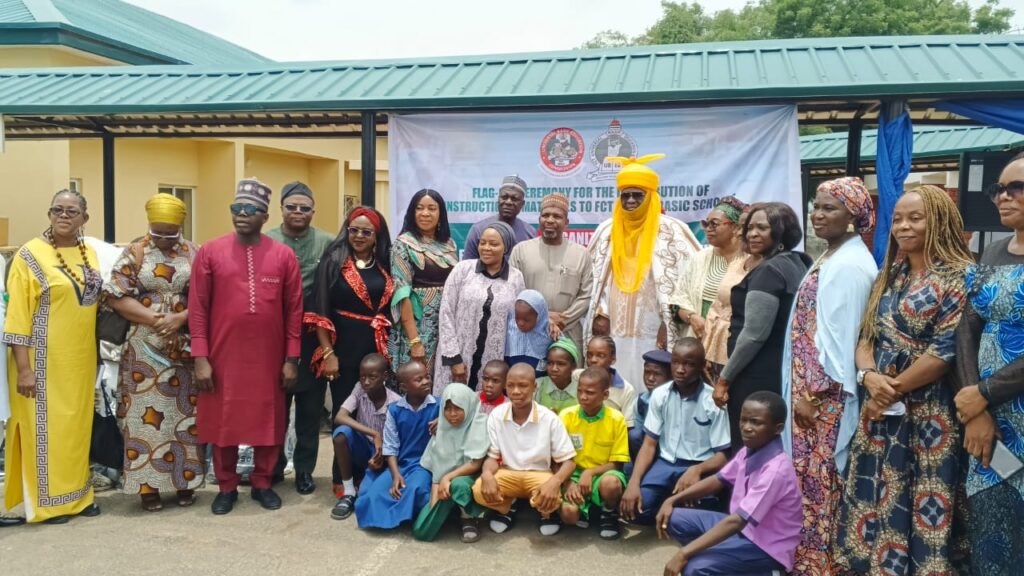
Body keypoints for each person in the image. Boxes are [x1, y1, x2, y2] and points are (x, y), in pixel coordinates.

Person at [834, 185, 973, 574]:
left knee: (924, 491)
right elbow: (866, 335)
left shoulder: (959, 277)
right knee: (874, 487)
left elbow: (943, 352)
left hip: (929, 414)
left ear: (940, 221)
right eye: (897, 219)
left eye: (916, 218)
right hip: (880, 409)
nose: (903, 226)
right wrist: (868, 376)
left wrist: (889, 390)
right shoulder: (889, 274)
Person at [779, 177, 878, 575]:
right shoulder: (832, 256)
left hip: (823, 401)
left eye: (829, 208)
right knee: (807, 482)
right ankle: (807, 559)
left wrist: (816, 396)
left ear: (853, 216)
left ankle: (822, 564)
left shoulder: (851, 266)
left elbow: (843, 339)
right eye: (816, 207)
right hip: (809, 395)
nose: (817, 215)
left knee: (822, 482)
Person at [189, 178, 303, 515]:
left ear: (265, 215)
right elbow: (198, 308)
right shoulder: (210, 252)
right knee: (224, 419)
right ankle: (225, 486)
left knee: (268, 419)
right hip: (222, 357)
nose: (241, 214)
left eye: (249, 209)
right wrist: (200, 357)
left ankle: (263, 482)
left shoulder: (283, 256)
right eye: (236, 208)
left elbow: (294, 311)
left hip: (269, 357)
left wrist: (291, 358)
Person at [2, 189, 103, 525]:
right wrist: (24, 369)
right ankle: (46, 505)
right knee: (43, 432)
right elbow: (17, 317)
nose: (63, 215)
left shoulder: (90, 252)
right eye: (57, 210)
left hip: (80, 361)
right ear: (49, 214)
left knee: (75, 430)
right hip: (39, 363)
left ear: (84, 218)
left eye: (72, 211)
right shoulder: (29, 255)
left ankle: (78, 497)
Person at [105, 193, 202, 512]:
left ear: (181, 226)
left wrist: (179, 319)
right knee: (143, 416)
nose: (163, 238)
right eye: (157, 231)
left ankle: (184, 480)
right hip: (143, 346)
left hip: (182, 345)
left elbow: (206, 296)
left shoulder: (194, 253)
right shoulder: (134, 252)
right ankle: (148, 487)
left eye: (170, 232)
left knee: (184, 415)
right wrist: (157, 319)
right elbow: (115, 296)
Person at [955, 154, 1024, 576]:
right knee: (993, 533)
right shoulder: (993, 252)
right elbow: (968, 327)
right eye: (998, 188)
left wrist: (982, 393)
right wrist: (972, 408)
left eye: (1015, 187)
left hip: (997, 402)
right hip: (991, 428)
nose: (1003, 196)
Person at [656, 391, 802, 576]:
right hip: (741, 531)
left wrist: (683, 553)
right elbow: (718, 480)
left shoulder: (776, 471)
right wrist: (672, 500)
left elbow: (737, 520)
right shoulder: (750, 450)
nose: (746, 427)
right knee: (674, 518)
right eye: (744, 420)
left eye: (756, 422)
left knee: (694, 569)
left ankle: (767, 571)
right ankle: (718, 558)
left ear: (778, 428)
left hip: (764, 548)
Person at [586, 154, 700, 387]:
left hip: (654, 326)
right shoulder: (606, 230)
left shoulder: (673, 231)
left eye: (637, 195)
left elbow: (690, 281)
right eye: (625, 195)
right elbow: (594, 278)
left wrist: (669, 322)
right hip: (612, 326)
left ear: (651, 196)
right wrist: (601, 311)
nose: (629, 200)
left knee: (652, 380)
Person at [714, 202, 811, 453]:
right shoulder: (798, 261)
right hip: (778, 370)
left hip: (754, 374)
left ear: (781, 233)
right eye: (750, 228)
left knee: (750, 447)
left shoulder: (769, 272)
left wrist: (724, 380)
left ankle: (751, 492)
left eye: (763, 228)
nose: (752, 233)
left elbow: (754, 335)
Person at [265, 181, 335, 495]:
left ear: (312, 211)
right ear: (281, 209)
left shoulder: (326, 243)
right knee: (274, 410)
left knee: (309, 410)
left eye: (304, 208)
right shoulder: (266, 241)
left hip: (312, 337)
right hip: (272, 337)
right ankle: (273, 468)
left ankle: (304, 471)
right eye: (291, 207)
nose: (297, 212)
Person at [622, 338, 730, 525]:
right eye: (676, 363)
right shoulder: (660, 394)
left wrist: (697, 469)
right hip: (665, 464)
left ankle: (676, 508)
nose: (680, 369)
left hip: (698, 466)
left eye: (689, 364)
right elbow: (649, 444)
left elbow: (724, 455)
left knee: (698, 515)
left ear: (702, 366)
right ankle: (671, 505)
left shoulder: (713, 402)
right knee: (635, 511)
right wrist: (634, 482)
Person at [307, 206, 393, 420]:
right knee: (344, 410)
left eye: (366, 232)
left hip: (377, 349)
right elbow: (321, 310)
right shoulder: (334, 261)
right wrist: (329, 354)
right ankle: (342, 455)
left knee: (376, 411)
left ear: (377, 236)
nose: (359, 236)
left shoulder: (385, 263)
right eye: (354, 230)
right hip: (343, 350)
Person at [472, 363, 577, 536]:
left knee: (553, 495)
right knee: (479, 490)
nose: (516, 391)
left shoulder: (549, 418)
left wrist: (555, 481)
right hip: (508, 473)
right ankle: (507, 508)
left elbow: (569, 462)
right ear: (505, 386)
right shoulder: (497, 415)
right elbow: (492, 457)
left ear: (534, 387)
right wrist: (487, 474)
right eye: (511, 385)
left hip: (539, 475)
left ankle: (546, 513)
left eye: (523, 385)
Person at [435, 221, 525, 394]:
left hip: (492, 366)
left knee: (483, 412)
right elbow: (446, 313)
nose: (486, 248)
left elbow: (517, 321)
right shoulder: (463, 269)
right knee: (453, 408)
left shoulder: (516, 277)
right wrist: (454, 359)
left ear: (506, 247)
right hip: (457, 357)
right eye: (482, 243)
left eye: (493, 244)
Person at [355, 361, 438, 530]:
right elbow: (391, 447)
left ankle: (406, 517)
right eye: (419, 379)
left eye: (427, 377)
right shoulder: (394, 410)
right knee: (375, 493)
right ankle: (392, 515)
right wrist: (395, 475)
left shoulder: (439, 405)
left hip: (425, 465)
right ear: (404, 387)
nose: (426, 382)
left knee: (416, 488)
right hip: (401, 463)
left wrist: (443, 421)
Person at [509, 192, 594, 352]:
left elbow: (587, 295)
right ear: (539, 219)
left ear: (566, 222)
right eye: (545, 215)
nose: (550, 220)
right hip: (529, 333)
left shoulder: (582, 254)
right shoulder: (520, 251)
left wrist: (564, 318)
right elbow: (513, 291)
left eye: (557, 216)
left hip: (567, 333)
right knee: (528, 376)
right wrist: (542, 318)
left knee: (567, 376)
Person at [390, 189, 458, 374]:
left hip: (445, 326)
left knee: (443, 379)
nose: (425, 213)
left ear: (440, 213)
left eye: (431, 208)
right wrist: (414, 341)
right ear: (412, 212)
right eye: (419, 208)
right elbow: (402, 294)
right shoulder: (403, 244)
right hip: (419, 327)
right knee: (418, 382)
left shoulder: (449, 244)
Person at [412, 383, 489, 543]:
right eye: (447, 409)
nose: (452, 414)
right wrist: (434, 504)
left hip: (474, 477)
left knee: (459, 484)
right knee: (422, 529)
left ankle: (468, 518)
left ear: (468, 406)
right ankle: (447, 512)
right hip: (445, 481)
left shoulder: (480, 423)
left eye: (458, 408)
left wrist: (447, 478)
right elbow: (436, 472)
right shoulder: (442, 429)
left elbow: (475, 464)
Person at [559, 367, 630, 540]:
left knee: (611, 484)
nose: (583, 397)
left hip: (602, 474)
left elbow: (618, 463)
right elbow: (556, 458)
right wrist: (568, 483)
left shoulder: (616, 419)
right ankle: (586, 510)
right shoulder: (566, 416)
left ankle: (608, 513)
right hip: (573, 474)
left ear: (605, 395)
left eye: (590, 393)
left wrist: (590, 473)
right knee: (569, 515)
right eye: (580, 391)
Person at [329, 353, 401, 520]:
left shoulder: (395, 402)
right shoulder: (359, 389)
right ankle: (348, 492)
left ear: (384, 376)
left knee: (369, 498)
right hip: (363, 448)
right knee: (341, 434)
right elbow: (340, 416)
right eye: (363, 377)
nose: (366, 381)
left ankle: (367, 483)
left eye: (373, 377)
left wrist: (382, 455)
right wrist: (374, 433)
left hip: (384, 455)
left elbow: (396, 442)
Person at [672, 196, 747, 340]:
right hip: (696, 340)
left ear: (736, 227)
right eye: (706, 224)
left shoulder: (749, 262)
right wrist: (692, 317)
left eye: (714, 224)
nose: (708, 229)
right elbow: (678, 302)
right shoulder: (698, 259)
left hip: (732, 341)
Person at [702, 206, 756, 383]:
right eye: (741, 227)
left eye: (747, 227)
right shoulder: (738, 261)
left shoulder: (770, 267)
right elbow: (717, 306)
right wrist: (707, 349)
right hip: (718, 350)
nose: (742, 233)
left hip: (744, 354)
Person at [461, 175, 536, 260]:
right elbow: (467, 266)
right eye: (504, 197)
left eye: (514, 199)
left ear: (522, 204)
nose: (508, 202)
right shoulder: (478, 230)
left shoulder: (530, 233)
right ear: (498, 199)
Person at [584, 335, 638, 429]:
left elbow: (628, 427)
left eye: (600, 355)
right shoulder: (577, 377)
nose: (593, 360)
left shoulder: (626, 390)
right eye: (589, 355)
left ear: (612, 359)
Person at [631, 349, 672, 460]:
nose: (650, 378)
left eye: (657, 374)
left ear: (670, 377)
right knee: (633, 435)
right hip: (648, 448)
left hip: (671, 450)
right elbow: (638, 434)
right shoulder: (641, 400)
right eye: (647, 372)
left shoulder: (674, 401)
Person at [505, 289, 555, 374]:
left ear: (539, 317)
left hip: (540, 382)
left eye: (526, 320)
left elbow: (565, 346)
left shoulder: (549, 330)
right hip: (513, 382)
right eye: (517, 318)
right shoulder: (508, 328)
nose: (520, 323)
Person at [534, 338, 582, 414]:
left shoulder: (581, 389)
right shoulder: (538, 386)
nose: (554, 369)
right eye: (550, 363)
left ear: (573, 366)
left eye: (561, 364)